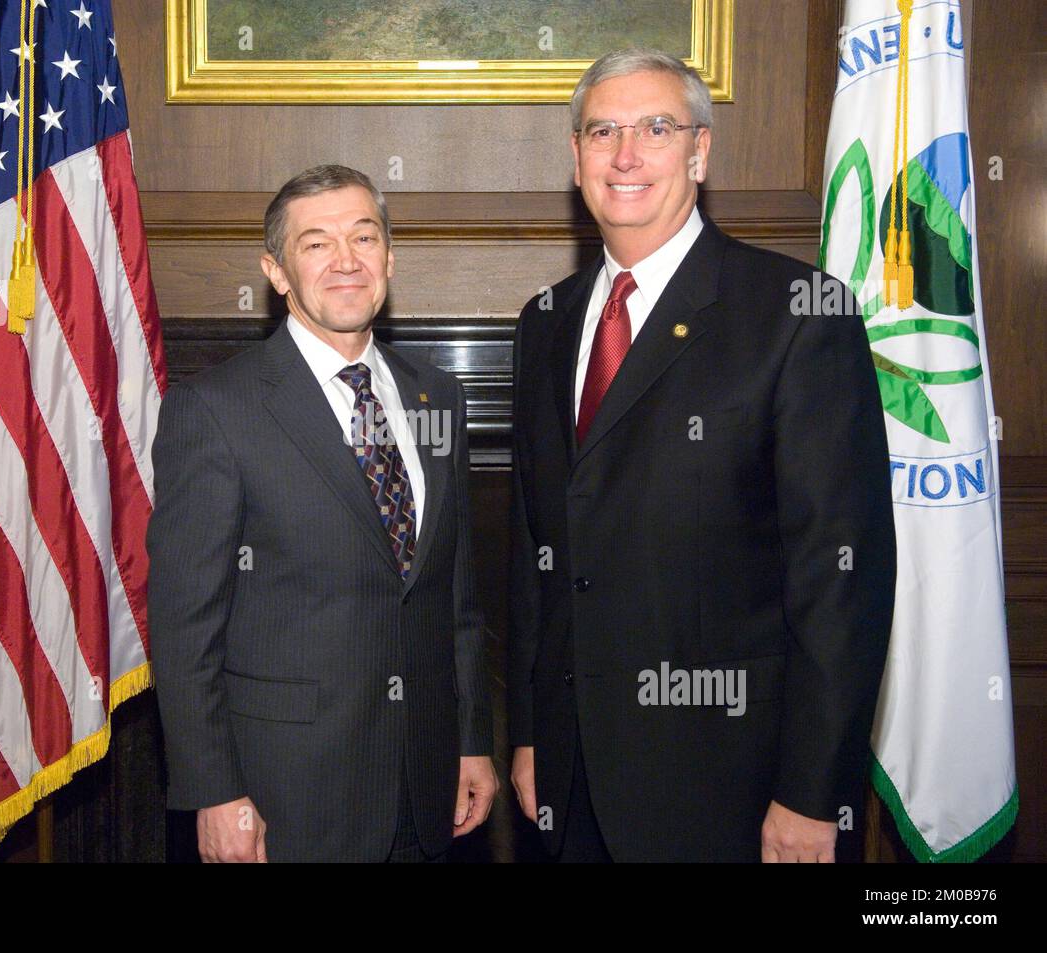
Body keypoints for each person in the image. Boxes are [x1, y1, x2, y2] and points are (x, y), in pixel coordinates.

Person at [507, 50, 896, 862]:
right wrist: (534, 734)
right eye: (602, 130)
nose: (625, 155)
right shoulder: (544, 322)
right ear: (575, 154)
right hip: (571, 784)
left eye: (656, 128)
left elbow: (842, 579)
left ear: (700, 151)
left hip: (735, 792)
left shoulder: (795, 314)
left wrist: (812, 791)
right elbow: (536, 555)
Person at [148, 164, 496, 862]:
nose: (346, 260)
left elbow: (455, 600)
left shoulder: (439, 399)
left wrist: (471, 741)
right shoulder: (215, 411)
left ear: (389, 258)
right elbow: (185, 631)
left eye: (363, 237)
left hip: (427, 793)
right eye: (316, 243)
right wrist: (213, 791)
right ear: (275, 271)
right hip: (287, 799)